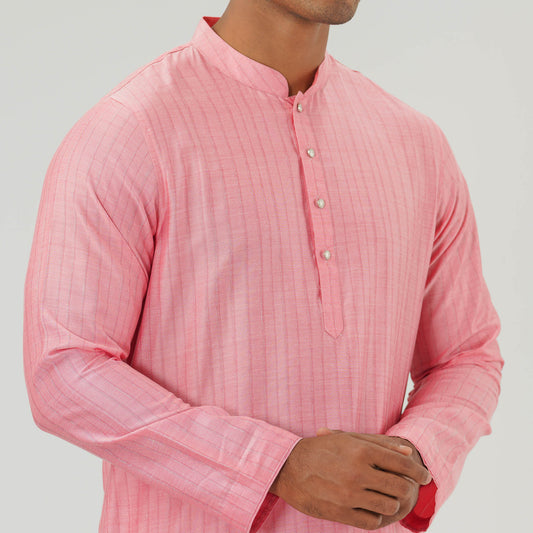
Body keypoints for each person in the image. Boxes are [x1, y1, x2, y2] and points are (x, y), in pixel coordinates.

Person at [23, 1, 503, 532]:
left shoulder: (415, 144)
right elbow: (63, 369)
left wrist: (413, 456)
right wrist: (274, 465)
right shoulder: (131, 132)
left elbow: (466, 355)